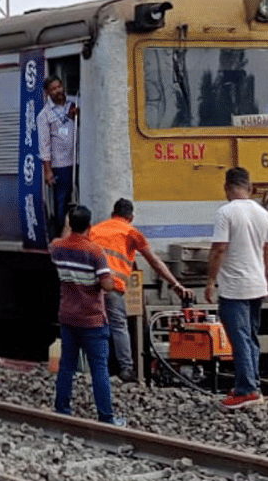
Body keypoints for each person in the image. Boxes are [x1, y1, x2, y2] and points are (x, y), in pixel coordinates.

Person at [89, 198, 191, 382]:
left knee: (91, 325)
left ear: (113, 214)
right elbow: (155, 262)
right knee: (119, 326)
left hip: (89, 286)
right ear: (131, 217)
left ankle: (89, 368)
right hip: (112, 287)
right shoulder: (132, 232)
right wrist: (175, 284)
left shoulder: (95, 229)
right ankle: (126, 369)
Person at [205, 167, 268, 410]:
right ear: (250, 187)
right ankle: (253, 385)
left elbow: (219, 249)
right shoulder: (264, 214)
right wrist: (263, 276)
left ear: (227, 187)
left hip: (234, 287)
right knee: (252, 337)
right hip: (257, 285)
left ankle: (247, 391)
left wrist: (210, 280)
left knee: (239, 339)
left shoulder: (226, 212)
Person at [51, 205, 124, 426]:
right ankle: (106, 417)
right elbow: (106, 284)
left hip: (68, 318)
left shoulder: (57, 247)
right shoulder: (95, 252)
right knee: (99, 369)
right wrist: (117, 284)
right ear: (90, 227)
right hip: (92, 320)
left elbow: (63, 239)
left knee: (67, 367)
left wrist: (67, 226)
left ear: (70, 224)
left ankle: (62, 409)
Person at [38, 76, 79, 238]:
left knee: (79, 199)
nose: (58, 91)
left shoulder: (75, 102)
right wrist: (48, 171)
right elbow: (44, 145)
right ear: (48, 93)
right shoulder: (44, 115)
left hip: (79, 161)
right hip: (60, 165)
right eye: (53, 89)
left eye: (59, 87)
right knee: (61, 202)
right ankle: (63, 237)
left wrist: (78, 115)